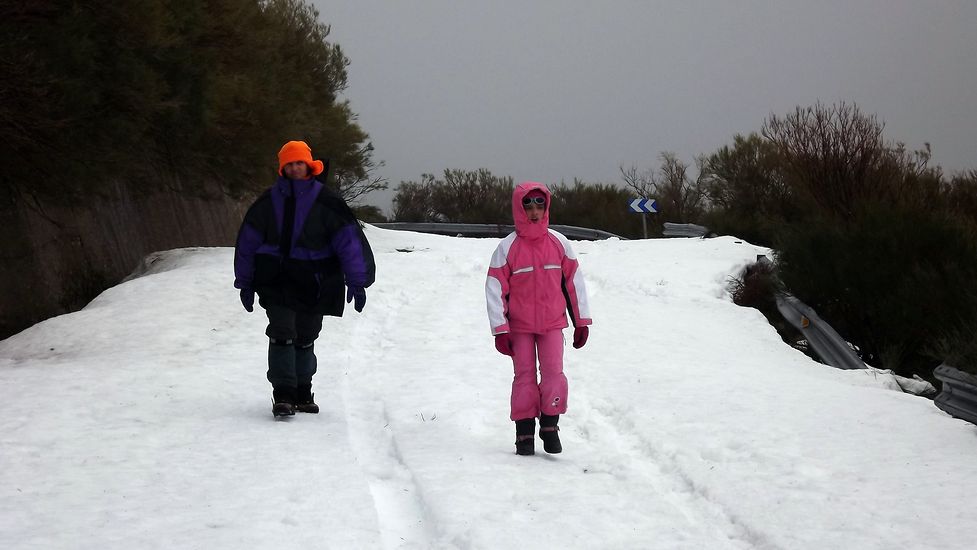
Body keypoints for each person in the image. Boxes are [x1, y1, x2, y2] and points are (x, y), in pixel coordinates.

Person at [234, 140, 375, 417]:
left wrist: (357, 281)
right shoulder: (267, 203)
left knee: (307, 335)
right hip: (276, 278)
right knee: (282, 331)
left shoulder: (327, 202)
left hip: (315, 280)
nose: (295, 168)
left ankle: (302, 390)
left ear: (309, 165)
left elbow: (348, 242)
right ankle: (283, 393)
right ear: (282, 168)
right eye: (290, 164)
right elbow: (247, 243)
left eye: (299, 162)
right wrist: (245, 282)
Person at [485, 181, 592, 455]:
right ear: (519, 209)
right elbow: (495, 288)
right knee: (524, 377)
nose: (534, 212)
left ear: (546, 208)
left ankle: (549, 425)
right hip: (519, 327)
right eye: (528, 206)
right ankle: (524, 432)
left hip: (552, 324)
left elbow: (574, 284)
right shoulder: (507, 248)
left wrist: (581, 321)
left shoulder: (559, 243)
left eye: (539, 206)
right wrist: (500, 329)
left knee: (554, 374)